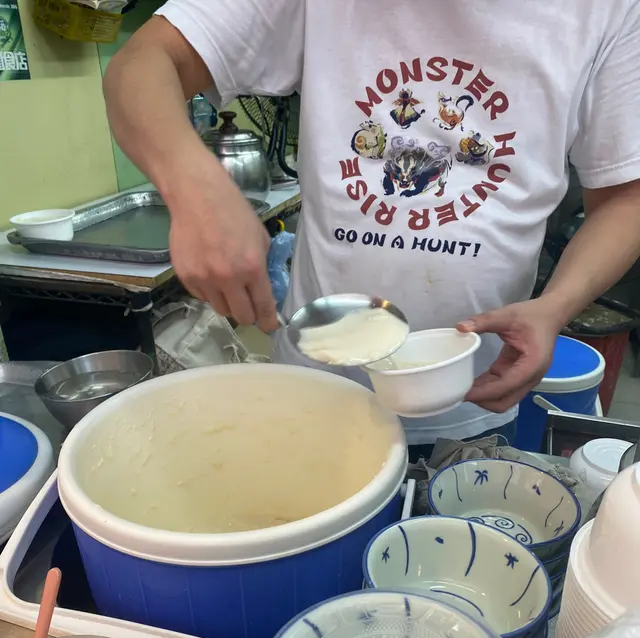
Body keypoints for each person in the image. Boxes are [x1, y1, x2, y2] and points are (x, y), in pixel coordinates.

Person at [103, 0, 640, 456]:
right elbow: (143, 64)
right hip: (315, 391)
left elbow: (625, 195)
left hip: (473, 394)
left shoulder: (608, 10)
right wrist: (196, 190)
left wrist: (556, 305)